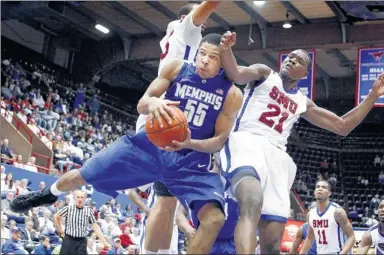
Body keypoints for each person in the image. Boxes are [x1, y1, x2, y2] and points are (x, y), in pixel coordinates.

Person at [11, 33, 243, 254]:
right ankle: (48, 193)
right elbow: (142, 104)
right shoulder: (177, 68)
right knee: (84, 173)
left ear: (223, 63)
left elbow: (219, 141)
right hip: (150, 146)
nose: (204, 60)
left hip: (189, 160)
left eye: (212, 57)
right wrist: (153, 104)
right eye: (202, 53)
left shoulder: (231, 94)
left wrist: (189, 142)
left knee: (214, 218)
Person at [217, 31, 384, 254]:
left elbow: (342, 126)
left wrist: (372, 97)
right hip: (248, 142)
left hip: (277, 156)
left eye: (299, 59)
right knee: (251, 202)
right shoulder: (264, 74)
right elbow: (235, 73)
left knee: (272, 239)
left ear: (305, 73)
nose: (291, 59)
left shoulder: (303, 102)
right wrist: (226, 49)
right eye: (290, 56)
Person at [133, 2, 222, 254]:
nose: (204, 23)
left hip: (170, 117)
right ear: (186, 17)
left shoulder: (185, 41)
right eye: (198, 17)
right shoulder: (186, 30)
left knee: (169, 201)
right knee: (161, 199)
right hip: (164, 117)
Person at [299, 180, 355, 254]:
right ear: (314, 192)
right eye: (318, 187)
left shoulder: (337, 212)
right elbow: (310, 238)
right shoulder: (310, 214)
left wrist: (343, 253)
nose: (320, 189)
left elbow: (351, 237)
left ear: (329, 193)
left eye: (324, 187)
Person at [53, 190, 110, 254]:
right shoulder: (68, 208)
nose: (80, 199)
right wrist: (60, 230)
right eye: (78, 197)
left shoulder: (88, 211)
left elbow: (95, 227)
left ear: (85, 199)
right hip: (69, 240)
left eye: (82, 197)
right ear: (74, 198)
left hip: (81, 241)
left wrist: (104, 241)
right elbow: (56, 216)